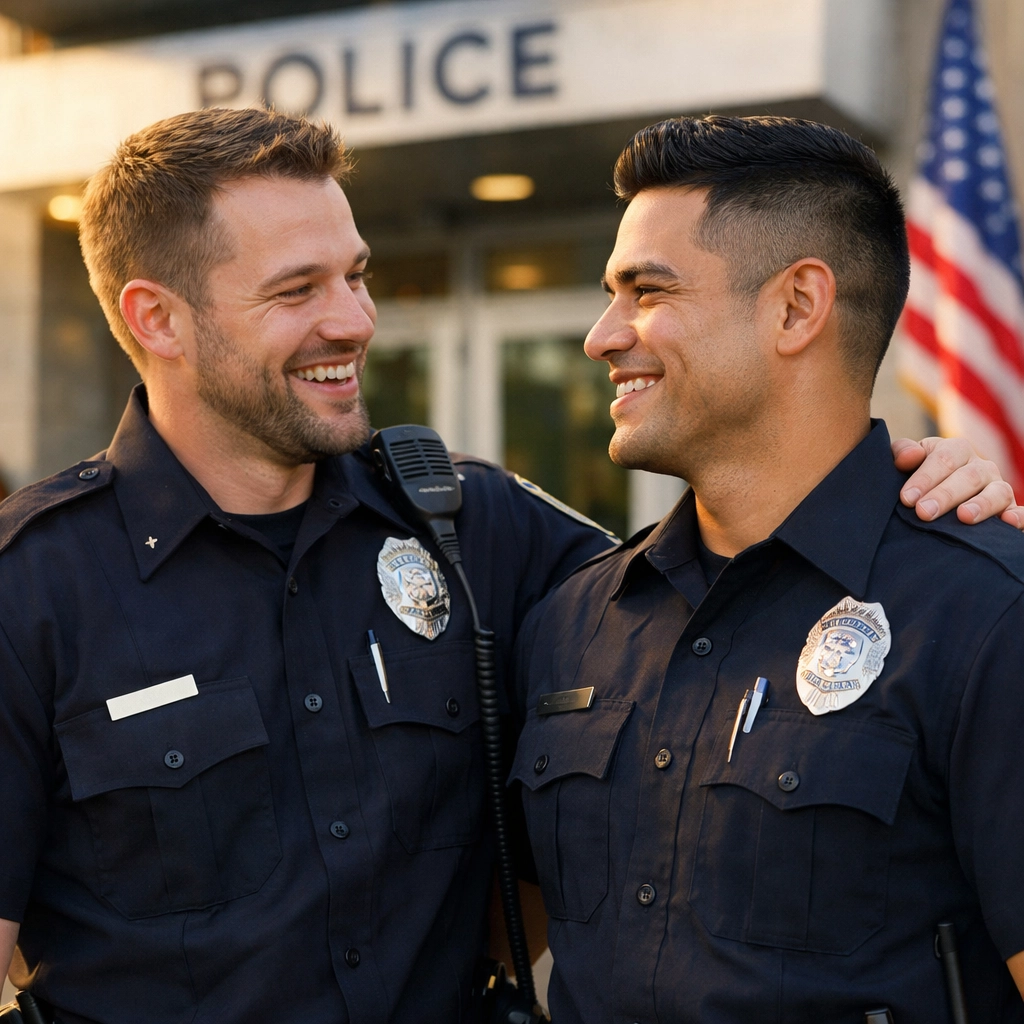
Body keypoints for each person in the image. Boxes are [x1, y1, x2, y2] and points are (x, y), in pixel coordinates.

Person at [0, 107, 1013, 1024]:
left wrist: (907, 484)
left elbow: (750, 580)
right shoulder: (32, 584)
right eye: (296, 289)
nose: (353, 319)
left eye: (353, 274)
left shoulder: (474, 526)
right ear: (156, 318)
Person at [511, 115, 1024, 1024]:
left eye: (647, 291)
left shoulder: (987, 614)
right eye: (608, 293)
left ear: (796, 307)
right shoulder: (575, 621)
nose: (599, 337)